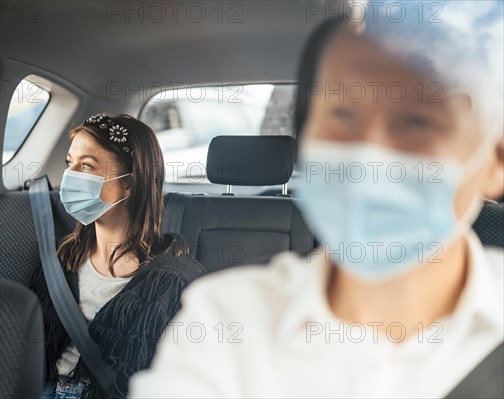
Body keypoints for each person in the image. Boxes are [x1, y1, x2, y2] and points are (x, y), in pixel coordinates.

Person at [128, 1, 504, 398]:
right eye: (341, 114)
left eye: (417, 120)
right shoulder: (224, 322)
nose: (367, 156)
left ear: (495, 159)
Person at [30, 113, 205, 399]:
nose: (70, 176)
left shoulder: (174, 279)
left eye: (86, 165)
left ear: (130, 183)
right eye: (69, 163)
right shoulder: (64, 258)